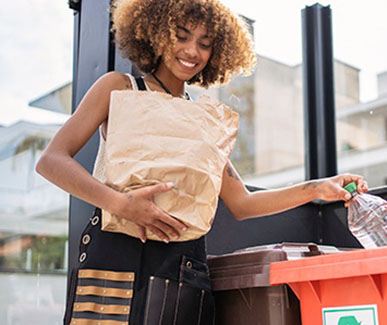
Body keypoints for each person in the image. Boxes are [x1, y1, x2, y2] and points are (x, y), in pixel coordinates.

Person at [36, 0, 368, 324]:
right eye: (181, 36)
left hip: (179, 267)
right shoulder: (119, 87)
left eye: (205, 43)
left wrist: (318, 188)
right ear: (155, 32)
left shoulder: (205, 120)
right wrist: (121, 204)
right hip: (114, 256)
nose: (193, 51)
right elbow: (52, 161)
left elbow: (243, 202)